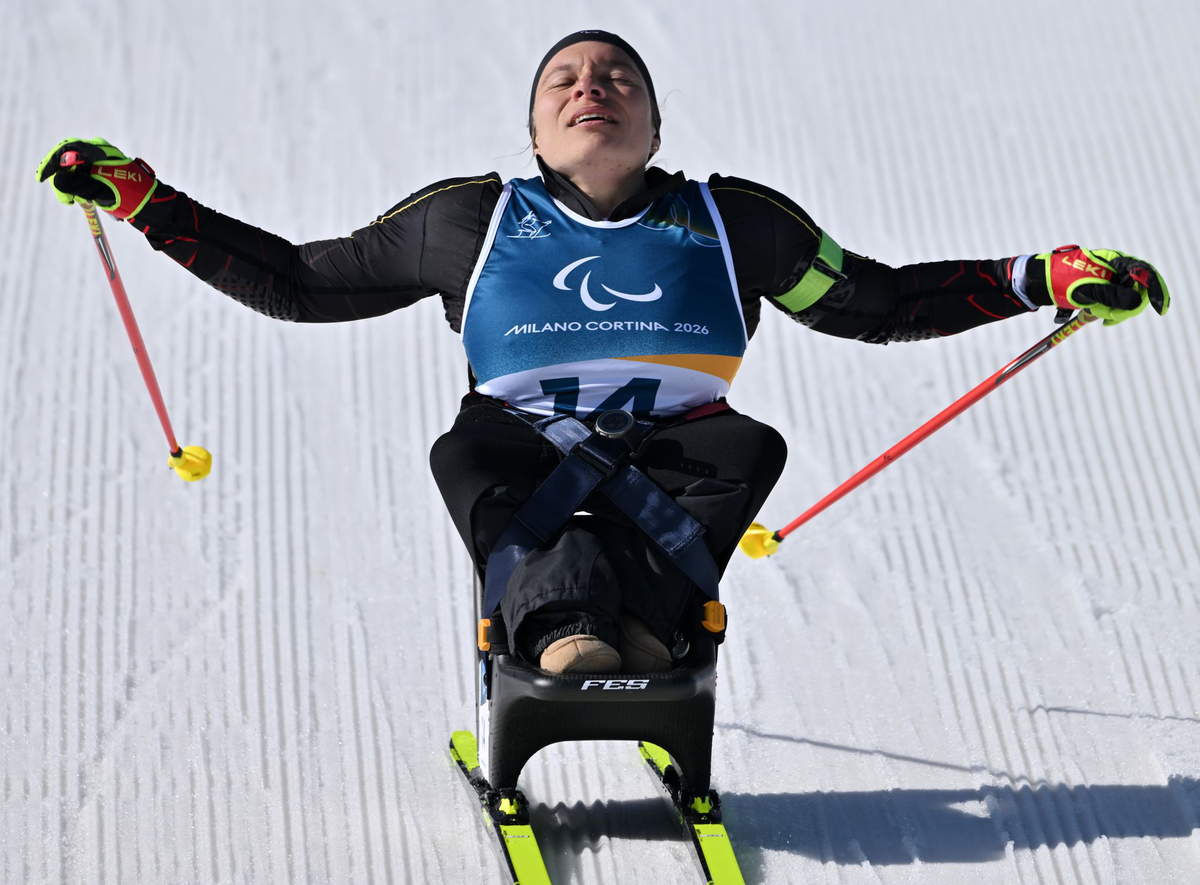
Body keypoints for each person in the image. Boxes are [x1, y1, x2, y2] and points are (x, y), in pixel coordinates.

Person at [37, 30, 1169, 675]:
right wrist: (145, 201)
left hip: (682, 448)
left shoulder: (737, 222)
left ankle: (637, 626)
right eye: (565, 83)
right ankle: (572, 631)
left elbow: (871, 303)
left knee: (749, 445)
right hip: (517, 442)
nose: (592, 90)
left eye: (619, 79)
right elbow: (298, 281)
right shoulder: (468, 221)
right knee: (470, 455)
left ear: (656, 126)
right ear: (535, 132)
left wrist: (1040, 277)